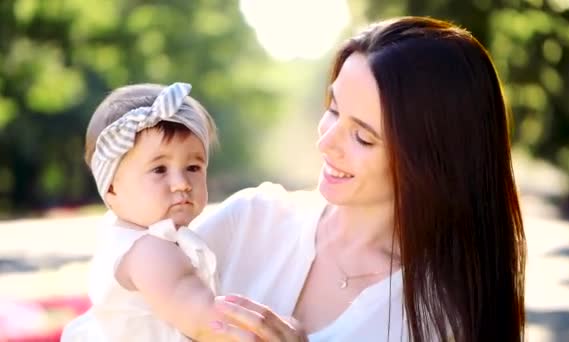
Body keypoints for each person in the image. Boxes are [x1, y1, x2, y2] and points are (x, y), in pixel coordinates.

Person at [196, 16, 526, 342]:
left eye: (363, 137)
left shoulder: (439, 319)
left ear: (430, 160)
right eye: (334, 109)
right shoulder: (252, 220)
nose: (325, 143)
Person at [61, 82, 228, 341]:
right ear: (112, 188)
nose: (182, 183)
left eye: (193, 167)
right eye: (159, 169)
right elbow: (206, 323)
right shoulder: (148, 250)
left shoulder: (125, 238)